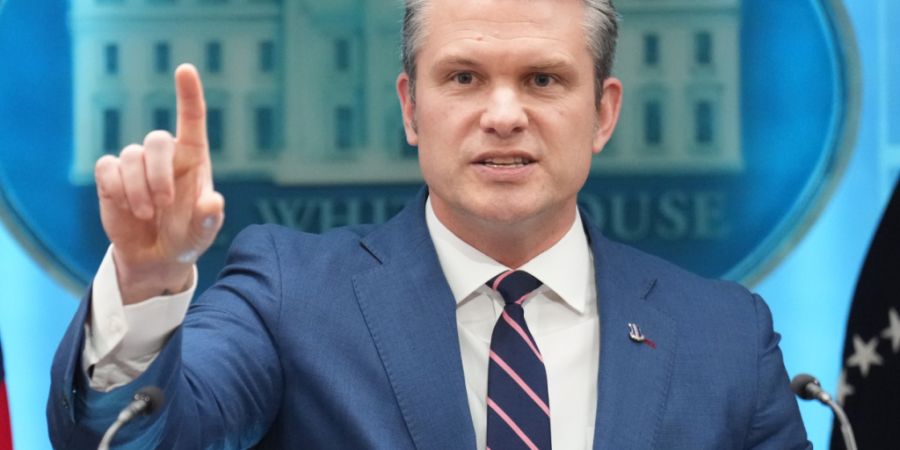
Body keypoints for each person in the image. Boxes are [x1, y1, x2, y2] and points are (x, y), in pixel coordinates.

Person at [47, 0, 812, 448]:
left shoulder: (727, 339)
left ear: (603, 112)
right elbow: (150, 436)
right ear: (412, 108)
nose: (504, 116)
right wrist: (148, 282)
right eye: (464, 78)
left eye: (543, 79)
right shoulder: (289, 298)